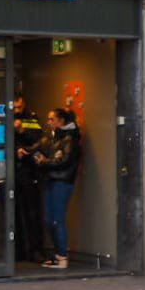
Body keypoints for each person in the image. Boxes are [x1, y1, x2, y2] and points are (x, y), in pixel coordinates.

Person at [35, 107, 81, 269]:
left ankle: (62, 257)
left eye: (51, 119)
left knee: (57, 220)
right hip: (51, 180)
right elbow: (41, 150)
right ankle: (57, 255)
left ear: (61, 121)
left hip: (62, 182)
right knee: (49, 219)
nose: (48, 122)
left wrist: (45, 162)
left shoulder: (70, 139)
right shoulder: (54, 137)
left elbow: (64, 162)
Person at [12, 95, 45, 263]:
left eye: (20, 107)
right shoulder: (2, 118)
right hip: (11, 171)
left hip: (28, 172)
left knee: (32, 213)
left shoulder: (32, 119)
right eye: (15, 107)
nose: (17, 110)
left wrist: (22, 131)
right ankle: (17, 251)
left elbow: (40, 140)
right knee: (13, 214)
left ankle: (35, 250)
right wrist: (15, 150)